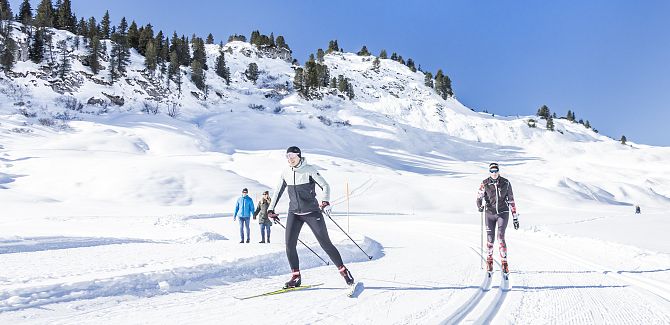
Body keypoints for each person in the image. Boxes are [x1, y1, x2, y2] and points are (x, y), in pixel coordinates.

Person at [267, 146, 355, 288]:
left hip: (312, 213)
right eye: (287, 156)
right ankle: (296, 277)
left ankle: (344, 271)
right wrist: (271, 209)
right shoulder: (285, 172)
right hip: (294, 213)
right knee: (289, 245)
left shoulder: (310, 170)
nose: (289, 159)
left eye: (292, 156)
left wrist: (325, 201)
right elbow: (278, 191)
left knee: (325, 243)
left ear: (299, 156)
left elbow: (325, 186)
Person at [476, 162, 518, 274]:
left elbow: (511, 200)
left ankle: (504, 263)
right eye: (492, 171)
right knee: (490, 239)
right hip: (489, 213)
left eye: (496, 170)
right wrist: (479, 206)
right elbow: (479, 197)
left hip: (503, 212)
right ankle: (489, 261)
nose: (494, 173)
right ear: (489, 172)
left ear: (499, 171)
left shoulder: (506, 183)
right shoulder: (484, 183)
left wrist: (515, 217)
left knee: (500, 237)